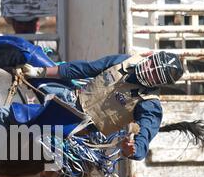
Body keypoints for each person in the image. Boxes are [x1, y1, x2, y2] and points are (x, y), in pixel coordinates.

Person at [19, 51, 184, 160]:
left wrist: (132, 149)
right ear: (150, 58)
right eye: (152, 64)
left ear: (160, 83)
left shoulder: (150, 104)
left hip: (81, 128)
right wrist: (40, 72)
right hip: (70, 97)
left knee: (14, 116)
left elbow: (143, 140)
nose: (150, 69)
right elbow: (86, 68)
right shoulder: (124, 61)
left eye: (156, 73)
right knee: (22, 83)